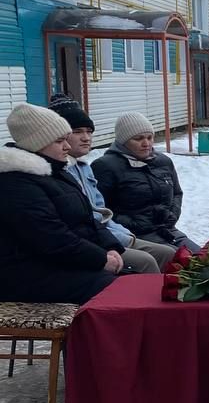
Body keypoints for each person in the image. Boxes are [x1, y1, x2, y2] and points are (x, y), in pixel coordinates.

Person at [0, 103, 126, 304]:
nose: (68, 147)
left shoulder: (56, 172)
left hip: (64, 262)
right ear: (36, 143)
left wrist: (109, 247)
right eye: (59, 141)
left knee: (134, 283)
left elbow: (88, 218)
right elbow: (51, 238)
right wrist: (100, 259)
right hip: (27, 275)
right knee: (118, 293)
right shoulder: (16, 182)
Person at [49, 100, 176, 274]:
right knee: (147, 261)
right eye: (77, 132)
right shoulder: (99, 167)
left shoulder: (83, 168)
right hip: (98, 240)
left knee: (173, 255)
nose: (86, 138)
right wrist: (127, 234)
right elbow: (86, 220)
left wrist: (127, 235)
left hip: (131, 231)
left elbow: (102, 213)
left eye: (89, 131)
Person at [92, 112, 200, 253]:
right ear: (123, 141)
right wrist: (134, 223)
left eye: (150, 137)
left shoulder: (163, 162)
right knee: (176, 263)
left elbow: (177, 193)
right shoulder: (105, 166)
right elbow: (100, 209)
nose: (146, 143)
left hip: (167, 230)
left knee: (204, 257)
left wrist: (171, 215)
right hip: (134, 236)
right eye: (138, 139)